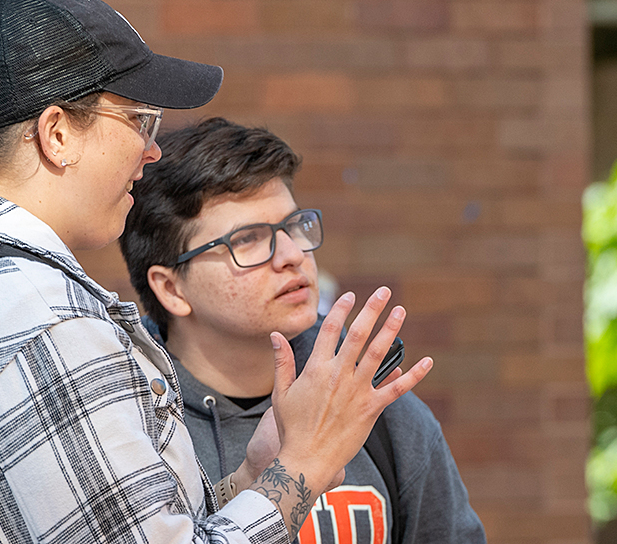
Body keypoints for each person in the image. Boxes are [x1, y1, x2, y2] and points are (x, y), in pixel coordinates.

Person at [0, 0, 433, 544]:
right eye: (138, 121)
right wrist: (306, 465)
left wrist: (256, 478)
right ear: (57, 135)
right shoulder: (32, 322)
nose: (151, 151)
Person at [117, 117, 488, 544]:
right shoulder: (129, 425)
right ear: (170, 288)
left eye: (295, 226)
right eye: (249, 240)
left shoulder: (376, 410)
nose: (292, 255)